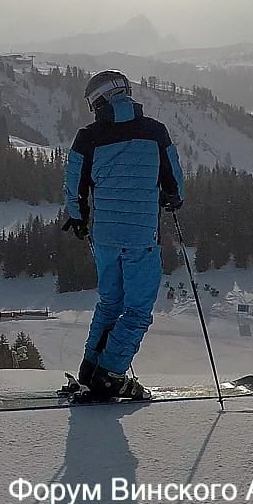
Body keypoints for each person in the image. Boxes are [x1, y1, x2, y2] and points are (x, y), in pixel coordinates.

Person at [61, 70, 184, 400]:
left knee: (110, 303)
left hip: (104, 237)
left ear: (101, 99)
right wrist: (172, 197)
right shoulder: (155, 132)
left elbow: (74, 183)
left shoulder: (88, 136)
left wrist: (77, 217)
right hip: (141, 237)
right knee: (138, 310)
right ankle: (111, 374)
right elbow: (175, 179)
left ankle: (91, 369)